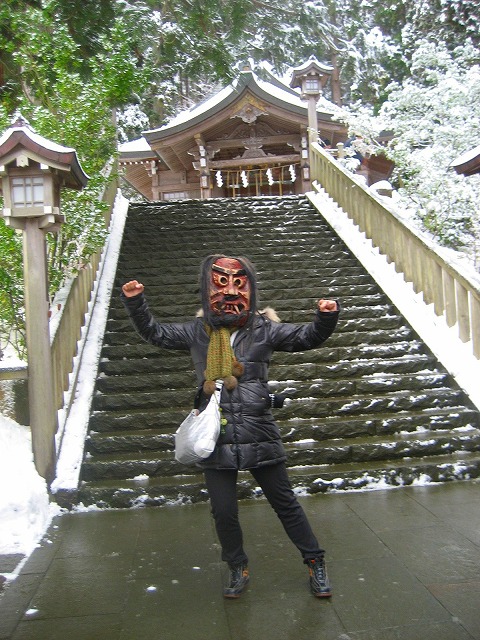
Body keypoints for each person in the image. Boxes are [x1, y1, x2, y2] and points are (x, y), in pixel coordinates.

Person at [121, 254, 340, 599]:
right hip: (215, 435)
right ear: (205, 289)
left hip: (258, 431)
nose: (231, 292)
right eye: (220, 283)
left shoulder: (264, 329)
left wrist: (325, 317)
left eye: (239, 283)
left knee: (285, 504)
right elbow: (155, 332)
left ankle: (315, 561)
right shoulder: (197, 332)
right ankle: (237, 566)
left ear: (251, 289)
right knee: (224, 512)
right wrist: (136, 302)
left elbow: (306, 337)